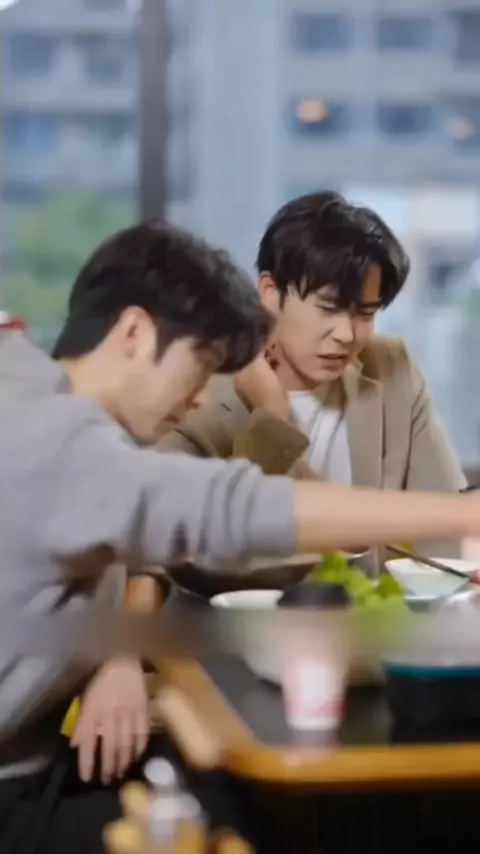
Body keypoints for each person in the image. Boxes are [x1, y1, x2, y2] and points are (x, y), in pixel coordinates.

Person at [0, 220, 479, 853]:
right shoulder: (61, 446)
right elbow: (232, 508)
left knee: (244, 797)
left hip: (41, 762)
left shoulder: (33, 391)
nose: (202, 398)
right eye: (199, 367)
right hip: (15, 788)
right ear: (134, 332)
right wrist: (458, 517)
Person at [157, 191, 466, 562]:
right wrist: (272, 421)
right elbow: (200, 553)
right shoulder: (199, 389)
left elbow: (445, 522)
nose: (347, 334)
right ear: (271, 294)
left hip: (381, 601)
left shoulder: (391, 366)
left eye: (365, 314)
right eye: (329, 308)